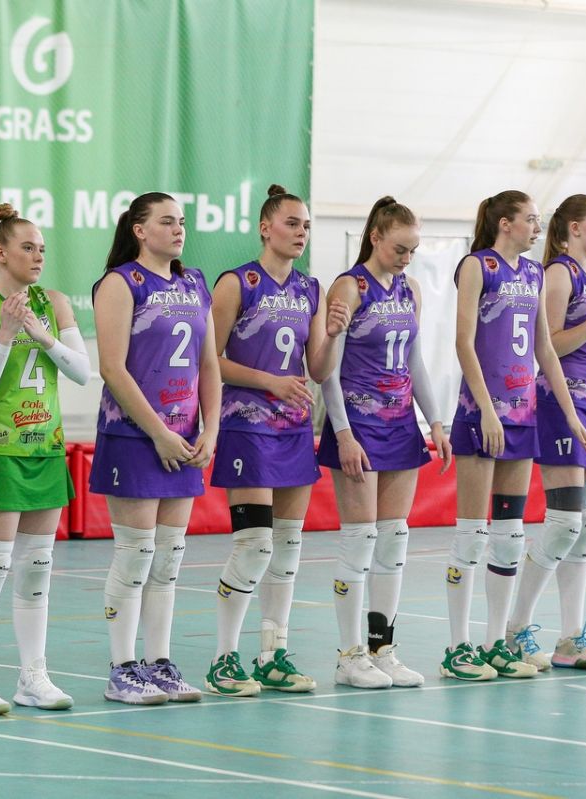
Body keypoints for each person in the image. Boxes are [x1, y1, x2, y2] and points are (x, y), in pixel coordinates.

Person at [443, 190, 586, 682]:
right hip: (481, 414)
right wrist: (487, 410)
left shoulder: (533, 273)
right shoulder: (477, 266)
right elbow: (464, 343)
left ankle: (495, 644)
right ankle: (457, 648)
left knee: (509, 537)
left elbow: (545, 351)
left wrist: (570, 415)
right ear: (505, 223)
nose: (537, 228)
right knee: (472, 535)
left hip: (524, 414)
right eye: (530, 219)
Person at [205, 185, 350, 697]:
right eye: (292, 223)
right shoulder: (238, 283)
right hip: (247, 425)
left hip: (293, 429)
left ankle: (272, 655)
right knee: (254, 546)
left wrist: (333, 334)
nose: (301, 232)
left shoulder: (310, 289)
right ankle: (224, 658)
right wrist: (269, 381)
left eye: (306, 225)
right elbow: (209, 361)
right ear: (266, 228)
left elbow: (318, 369)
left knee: (287, 548)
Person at [0, 203, 90, 713]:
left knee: (37, 568)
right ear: (1, 252)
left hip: (45, 448)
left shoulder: (54, 303)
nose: (37, 256)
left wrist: (43, 335)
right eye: (27, 247)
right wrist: (7, 333)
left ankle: (34, 677)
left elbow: (82, 371)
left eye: (42, 249)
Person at [90, 192, 221, 704]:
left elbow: (208, 364)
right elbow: (112, 367)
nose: (178, 229)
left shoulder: (194, 283)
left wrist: (210, 430)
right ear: (140, 230)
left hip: (183, 438)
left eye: (181, 221)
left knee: (168, 558)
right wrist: (157, 433)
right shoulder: (121, 282)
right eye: (167, 221)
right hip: (132, 436)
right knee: (136, 555)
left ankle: (159, 663)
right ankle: (122, 668)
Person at [319, 196, 452, 690]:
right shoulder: (349, 287)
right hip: (359, 424)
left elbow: (415, 361)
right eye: (399, 248)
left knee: (394, 540)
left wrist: (434, 421)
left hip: (400, 426)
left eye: (413, 251)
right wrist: (343, 432)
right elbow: (328, 368)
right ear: (375, 237)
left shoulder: (409, 289)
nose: (406, 258)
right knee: (360, 541)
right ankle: (349, 655)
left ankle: (382, 649)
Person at [504, 195, 586, 672]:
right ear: (574, 228)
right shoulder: (559, 274)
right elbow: (551, 346)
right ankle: (516, 628)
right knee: (564, 524)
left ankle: (570, 637)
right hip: (561, 403)